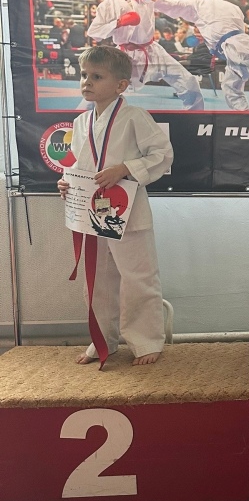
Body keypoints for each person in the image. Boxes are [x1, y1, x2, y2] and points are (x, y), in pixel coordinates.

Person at [57, 46, 173, 365]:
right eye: (84, 75)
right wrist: (67, 182)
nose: (87, 82)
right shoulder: (81, 121)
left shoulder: (135, 117)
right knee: (97, 281)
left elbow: (162, 155)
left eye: (97, 76)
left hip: (128, 210)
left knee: (138, 277)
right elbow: (80, 165)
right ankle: (102, 339)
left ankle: (146, 340)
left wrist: (124, 169)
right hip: (92, 211)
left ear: (121, 85)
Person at [88, 0, 204, 110]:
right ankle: (81, 118)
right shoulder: (107, 5)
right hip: (125, 55)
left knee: (188, 82)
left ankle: (196, 116)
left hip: (152, 50)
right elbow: (94, 32)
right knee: (101, 90)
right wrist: (118, 22)